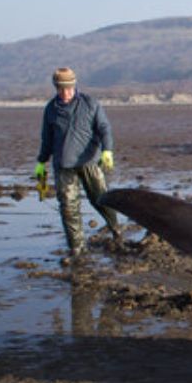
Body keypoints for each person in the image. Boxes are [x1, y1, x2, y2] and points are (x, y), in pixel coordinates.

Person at [35, 67, 120, 258]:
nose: (65, 93)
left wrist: (107, 150)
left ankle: (115, 229)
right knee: (68, 206)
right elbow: (46, 139)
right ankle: (77, 247)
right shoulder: (51, 109)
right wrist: (41, 162)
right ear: (56, 88)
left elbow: (104, 128)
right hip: (63, 166)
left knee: (101, 199)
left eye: (68, 88)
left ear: (74, 86)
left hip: (89, 161)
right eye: (61, 89)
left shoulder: (90, 104)